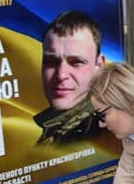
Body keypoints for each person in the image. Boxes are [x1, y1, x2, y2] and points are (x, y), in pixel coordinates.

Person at [34, 11, 107, 143]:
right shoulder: (55, 129)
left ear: (99, 66)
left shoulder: (106, 132)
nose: (61, 74)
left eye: (77, 62)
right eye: (51, 61)